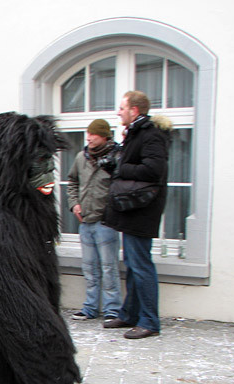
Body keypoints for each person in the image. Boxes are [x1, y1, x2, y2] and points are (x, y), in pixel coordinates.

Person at [102, 90, 171, 339]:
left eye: (121, 108)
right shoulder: (135, 133)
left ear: (135, 110)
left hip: (142, 209)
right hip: (132, 208)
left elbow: (154, 170)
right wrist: (114, 164)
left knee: (141, 266)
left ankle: (150, 321)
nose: (118, 112)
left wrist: (121, 167)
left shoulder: (151, 134)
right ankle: (130, 314)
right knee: (132, 265)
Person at [66, 119, 122, 323]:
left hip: (106, 223)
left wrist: (111, 211)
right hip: (85, 221)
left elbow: (120, 188)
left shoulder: (115, 158)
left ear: (105, 136)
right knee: (89, 267)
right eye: (88, 134)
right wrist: (74, 204)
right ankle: (90, 307)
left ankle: (112, 309)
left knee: (109, 267)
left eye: (94, 134)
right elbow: (72, 181)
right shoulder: (82, 157)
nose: (88, 137)